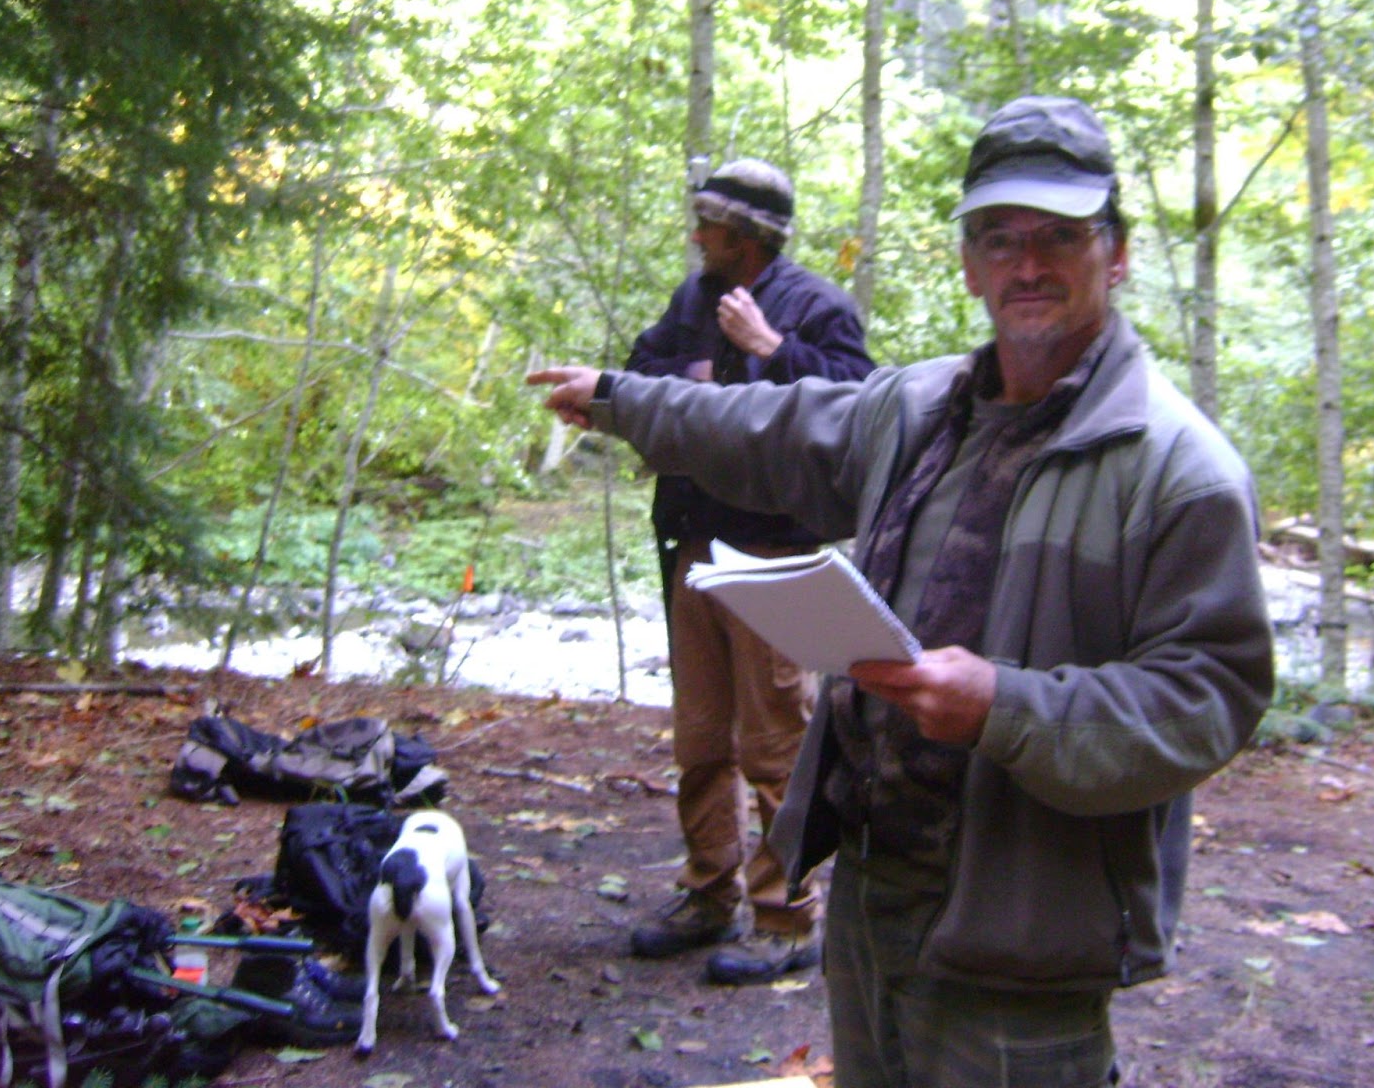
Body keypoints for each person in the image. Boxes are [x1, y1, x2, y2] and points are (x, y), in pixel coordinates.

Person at [529, 96, 1273, 1087]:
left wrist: (1005, 707)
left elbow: (1207, 699)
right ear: (968, 264)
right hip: (872, 902)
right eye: (999, 238)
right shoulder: (918, 409)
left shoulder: (1177, 469)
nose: (1028, 263)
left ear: (1118, 254)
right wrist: (622, 399)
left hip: (1022, 941)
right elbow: (768, 428)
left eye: (1059, 236)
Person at [619, 157, 875, 986]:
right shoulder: (693, 299)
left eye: (711, 224)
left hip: (776, 550)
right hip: (694, 540)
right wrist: (693, 378)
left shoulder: (818, 306)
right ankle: (709, 893)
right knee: (700, 738)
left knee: (776, 745)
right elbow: (640, 371)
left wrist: (770, 349)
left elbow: (859, 406)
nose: (698, 236)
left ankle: (787, 916)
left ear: (748, 235)